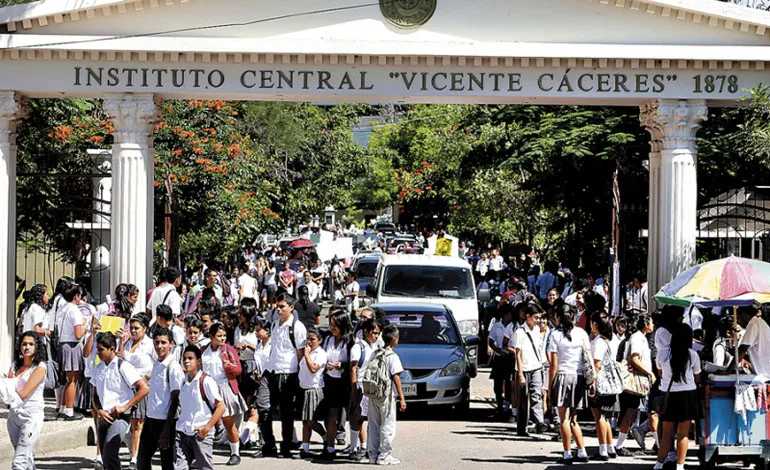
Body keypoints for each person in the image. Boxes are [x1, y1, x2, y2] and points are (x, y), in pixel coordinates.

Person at [90, 332, 150, 470]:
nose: (98, 353)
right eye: (97, 349)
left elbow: (144, 388)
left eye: (101, 350)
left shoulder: (123, 366)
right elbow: (94, 395)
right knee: (106, 456)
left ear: (112, 348)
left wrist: (125, 407)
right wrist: (99, 410)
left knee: (110, 450)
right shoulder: (98, 368)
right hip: (104, 416)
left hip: (119, 416)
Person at [548, 304, 594, 464]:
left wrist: (549, 387)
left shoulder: (554, 335)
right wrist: (592, 380)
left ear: (559, 317)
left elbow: (553, 365)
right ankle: (581, 451)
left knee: (564, 419)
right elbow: (588, 357)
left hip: (562, 377)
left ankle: (567, 453)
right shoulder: (582, 333)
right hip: (579, 377)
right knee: (574, 419)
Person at [264, 294, 307, 458]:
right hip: (272, 370)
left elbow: (301, 352)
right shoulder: (275, 324)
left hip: (288, 372)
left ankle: (287, 445)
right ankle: (269, 443)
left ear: (291, 308)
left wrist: (298, 376)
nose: (279, 309)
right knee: (265, 407)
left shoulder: (297, 327)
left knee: (286, 412)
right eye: (277, 306)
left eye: (282, 306)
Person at [654, 323, 701, 470]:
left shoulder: (663, 353)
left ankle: (659, 464)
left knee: (667, 433)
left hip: (668, 395)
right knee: (683, 433)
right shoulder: (692, 354)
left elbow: (660, 372)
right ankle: (680, 466)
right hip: (687, 394)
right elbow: (697, 376)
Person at [136, 327, 184, 470]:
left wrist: (167, 429)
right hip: (151, 419)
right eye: (157, 343)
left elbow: (175, 400)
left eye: (163, 342)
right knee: (142, 460)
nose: (159, 346)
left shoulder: (173, 367)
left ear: (171, 344)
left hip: (166, 422)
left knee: (167, 463)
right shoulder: (157, 364)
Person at [175, 345, 225, 470]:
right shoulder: (182, 381)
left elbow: (220, 406)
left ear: (198, 361)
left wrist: (207, 428)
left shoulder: (206, 381)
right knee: (179, 467)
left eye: (190, 358)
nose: (186, 361)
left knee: (204, 467)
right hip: (182, 432)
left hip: (201, 433)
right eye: (184, 358)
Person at [202, 323, 245, 465]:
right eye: (219, 336)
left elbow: (238, 369)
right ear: (211, 337)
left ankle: (235, 453)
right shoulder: (203, 350)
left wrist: (229, 366)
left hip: (224, 387)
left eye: (224, 335)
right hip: (207, 388)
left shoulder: (228, 350)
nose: (222, 338)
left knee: (228, 422)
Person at [614, 314, 656, 457]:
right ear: (645, 324)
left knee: (631, 414)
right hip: (634, 380)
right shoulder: (638, 337)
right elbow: (634, 358)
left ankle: (619, 444)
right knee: (633, 413)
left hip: (637, 381)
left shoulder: (640, 337)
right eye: (651, 322)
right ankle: (618, 445)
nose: (653, 325)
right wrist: (650, 373)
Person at [366, 324, 406, 465]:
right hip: (386, 395)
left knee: (374, 424)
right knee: (387, 425)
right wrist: (402, 398)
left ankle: (372, 454)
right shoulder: (392, 356)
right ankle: (384, 455)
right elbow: (396, 377)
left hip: (373, 393)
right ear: (394, 339)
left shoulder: (375, 353)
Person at [6, 332, 47, 470]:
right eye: (24, 344)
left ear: (37, 347)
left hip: (31, 417)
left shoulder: (40, 368)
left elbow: (23, 393)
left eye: (31, 344)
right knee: (26, 458)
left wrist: (7, 387)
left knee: (19, 462)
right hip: (14, 416)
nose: (27, 347)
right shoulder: (15, 365)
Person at [119, 314, 154, 469]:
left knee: (137, 423)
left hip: (142, 387)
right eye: (131, 327)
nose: (133, 331)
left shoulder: (150, 345)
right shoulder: (127, 343)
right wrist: (121, 341)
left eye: (136, 328)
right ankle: (135, 452)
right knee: (130, 424)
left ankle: (134, 458)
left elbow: (156, 364)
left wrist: (146, 379)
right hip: (126, 386)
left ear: (145, 329)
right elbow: (120, 358)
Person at [348, 318, 381, 460]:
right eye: (374, 333)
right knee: (358, 418)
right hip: (361, 386)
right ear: (366, 332)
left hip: (373, 386)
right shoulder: (358, 347)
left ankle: (368, 447)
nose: (376, 336)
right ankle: (355, 447)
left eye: (378, 333)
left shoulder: (377, 346)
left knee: (372, 418)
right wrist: (354, 388)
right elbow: (353, 368)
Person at [322, 308, 353, 459]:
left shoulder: (350, 341)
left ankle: (357, 446)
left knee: (353, 415)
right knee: (332, 415)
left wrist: (341, 365)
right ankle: (329, 446)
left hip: (345, 383)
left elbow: (354, 364)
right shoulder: (328, 339)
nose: (332, 328)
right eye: (330, 324)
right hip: (330, 381)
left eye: (335, 325)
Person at [513, 303, 547, 436]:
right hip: (524, 369)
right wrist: (520, 373)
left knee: (536, 395)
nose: (538, 320)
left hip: (536, 367)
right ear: (528, 317)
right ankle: (521, 428)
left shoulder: (537, 330)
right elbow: (518, 354)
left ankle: (539, 422)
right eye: (535, 317)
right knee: (523, 400)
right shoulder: (519, 332)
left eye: (539, 318)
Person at [589, 313, 618, 461]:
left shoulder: (598, 342)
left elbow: (597, 364)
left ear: (595, 324)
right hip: (610, 384)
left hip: (600, 383)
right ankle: (610, 447)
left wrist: (592, 383)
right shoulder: (609, 340)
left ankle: (602, 450)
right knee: (605, 417)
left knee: (598, 416)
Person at [58, 282, 86, 421]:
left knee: (67, 379)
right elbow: (78, 334)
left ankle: (63, 407)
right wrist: (87, 326)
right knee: (72, 380)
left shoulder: (62, 308)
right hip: (72, 345)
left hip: (63, 343)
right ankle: (69, 410)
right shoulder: (75, 309)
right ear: (76, 296)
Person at [299, 327, 328, 459]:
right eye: (308, 339)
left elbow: (313, 369)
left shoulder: (320, 354)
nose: (309, 342)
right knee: (305, 421)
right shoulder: (308, 352)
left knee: (311, 420)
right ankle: (305, 447)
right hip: (304, 388)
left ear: (320, 340)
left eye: (313, 339)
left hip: (314, 388)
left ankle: (326, 437)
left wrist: (306, 355)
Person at [489, 305, 513, 419]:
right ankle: (499, 406)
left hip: (509, 357)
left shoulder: (512, 326)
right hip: (499, 357)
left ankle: (507, 406)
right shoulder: (496, 326)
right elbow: (491, 340)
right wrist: (497, 349)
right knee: (497, 383)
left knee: (508, 382)